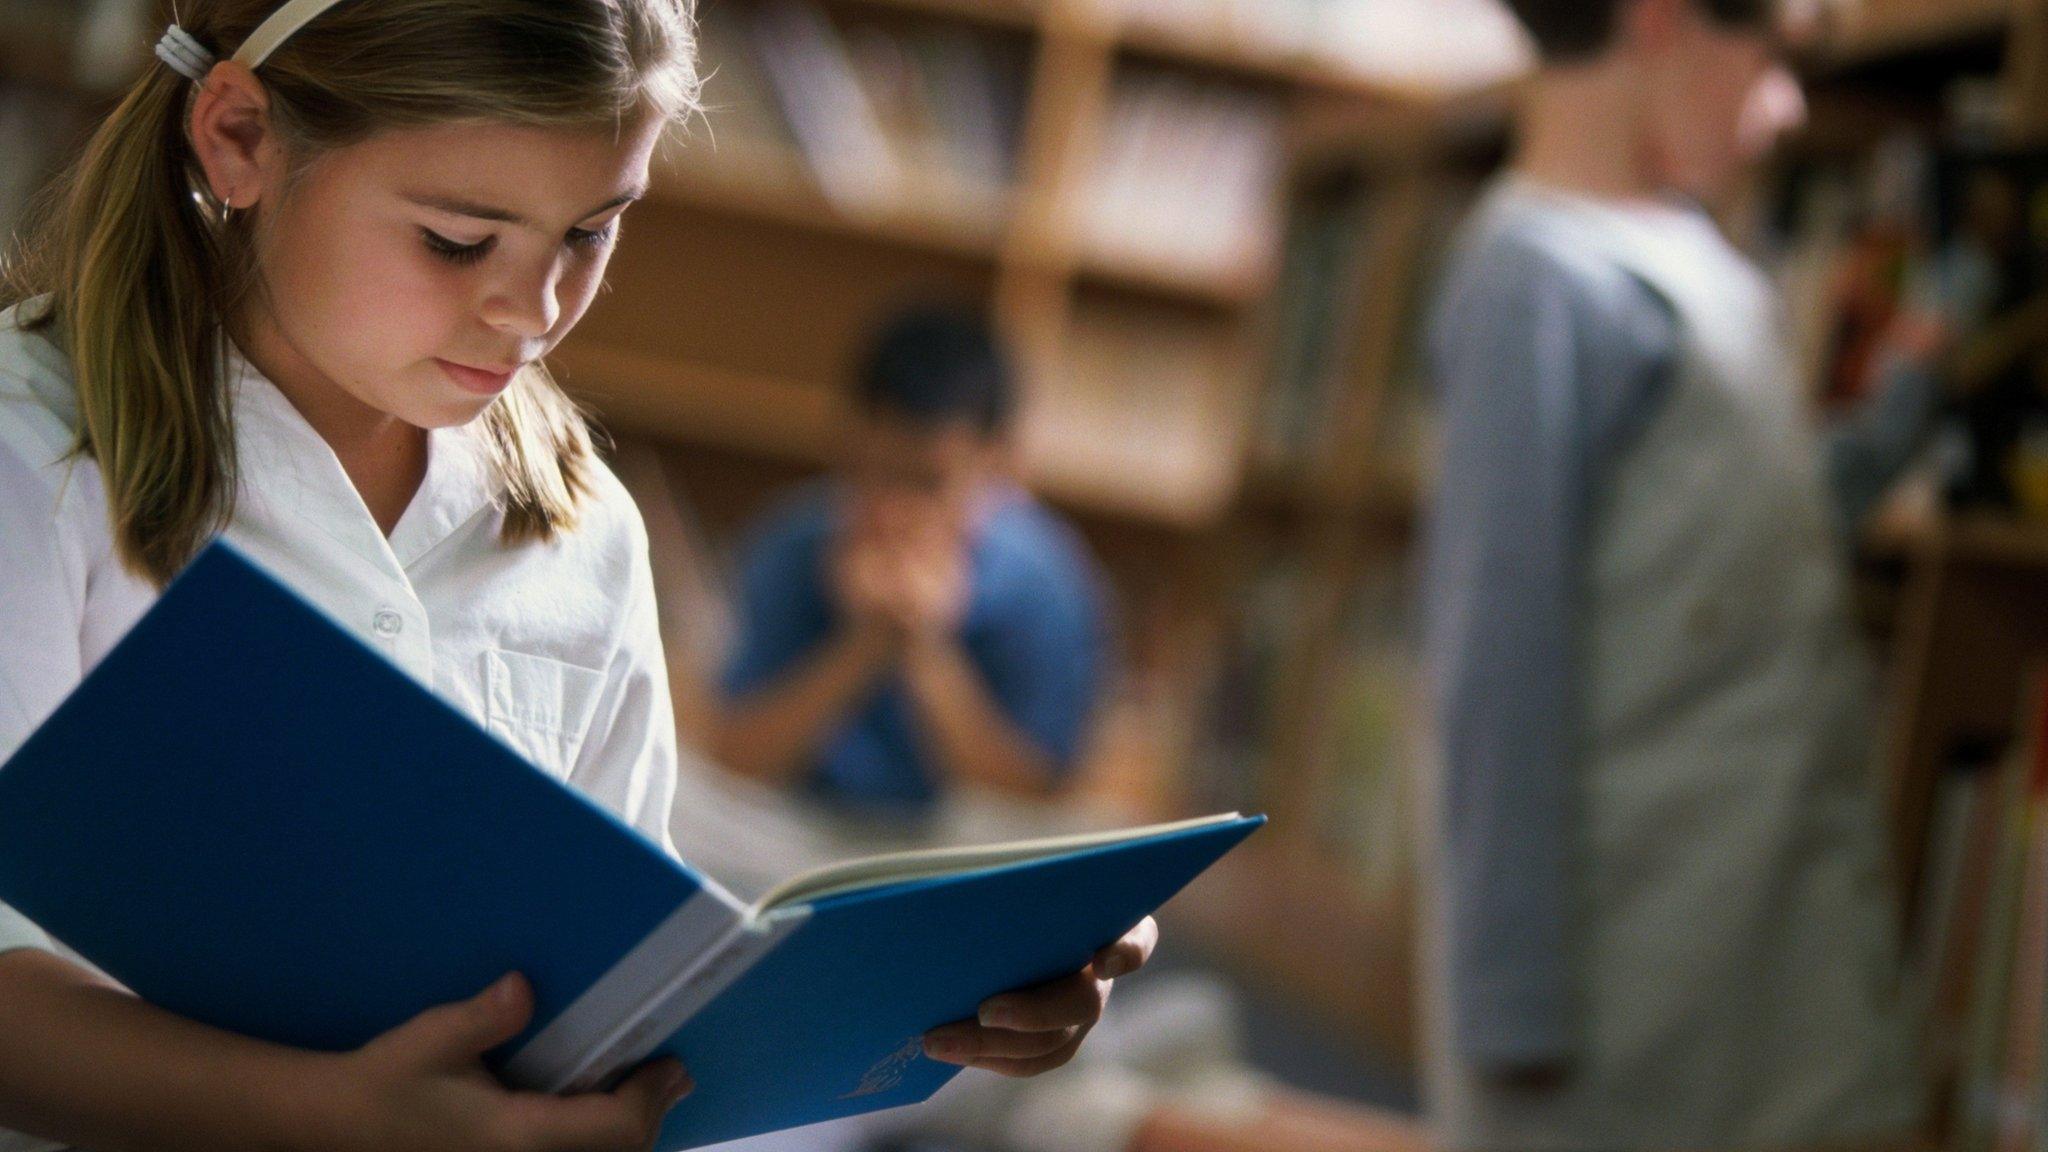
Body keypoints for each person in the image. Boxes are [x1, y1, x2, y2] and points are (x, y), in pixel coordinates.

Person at [0, 5, 1156, 1151]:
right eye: (457, 241)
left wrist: (957, 986)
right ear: (240, 139)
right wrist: (332, 1119)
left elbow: (613, 1007)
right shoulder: (31, 452)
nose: (534, 313)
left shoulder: (583, 529)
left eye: (592, 234)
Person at [1419, 1, 1942, 1150]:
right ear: (1657, 19)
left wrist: (1907, 403)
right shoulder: (1535, 281)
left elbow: (1733, 551)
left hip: (1765, 971)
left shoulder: (1700, 259)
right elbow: (1495, 670)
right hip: (1625, 1029)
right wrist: (1507, 1018)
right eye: (1772, 56)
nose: (1787, 104)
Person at [711, 308, 1112, 818]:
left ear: (998, 462)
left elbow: (1034, 797)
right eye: (872, 473)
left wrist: (922, 647)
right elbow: (735, 756)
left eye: (928, 482)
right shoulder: (792, 544)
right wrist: (864, 646)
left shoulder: (1048, 585)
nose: (894, 510)